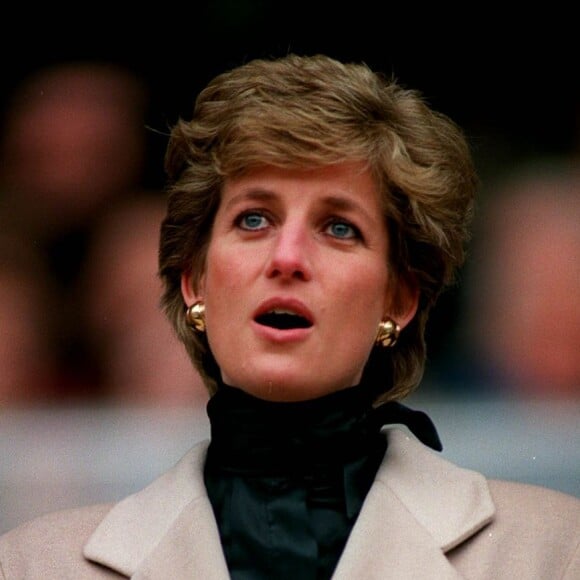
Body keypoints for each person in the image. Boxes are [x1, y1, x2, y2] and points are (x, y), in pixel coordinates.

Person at [0, 53, 578, 579]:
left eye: (339, 227)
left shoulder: (553, 551)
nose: (287, 258)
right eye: (254, 220)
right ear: (194, 280)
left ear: (399, 300)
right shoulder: (32, 565)